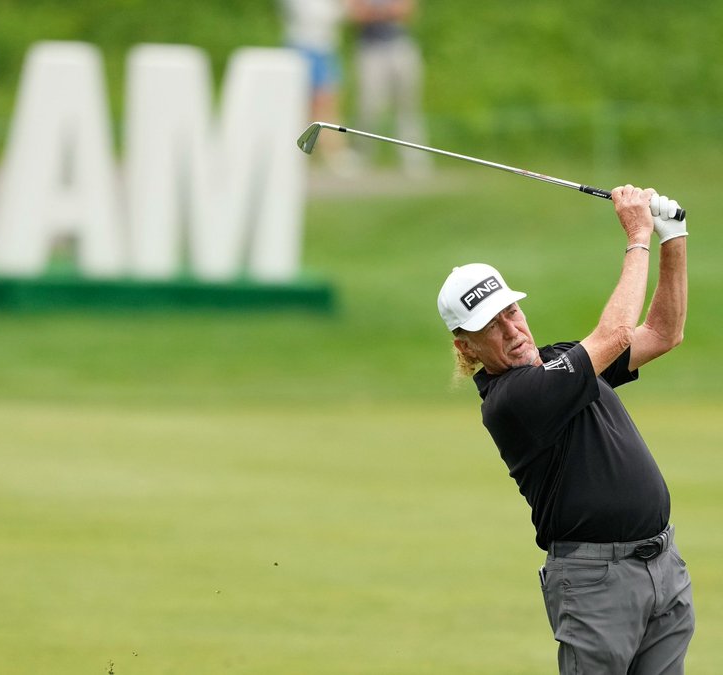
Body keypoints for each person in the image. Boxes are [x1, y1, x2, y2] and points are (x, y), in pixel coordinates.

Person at [437, 185, 693, 673]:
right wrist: (638, 234)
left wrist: (672, 235)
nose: (511, 329)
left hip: (663, 567)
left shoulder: (558, 361)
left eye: (511, 311)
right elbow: (615, 335)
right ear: (467, 347)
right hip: (596, 583)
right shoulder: (512, 401)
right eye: (491, 325)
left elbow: (663, 333)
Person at [345, 0, 430, 176]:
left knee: (407, 105)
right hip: (370, 48)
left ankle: (414, 159)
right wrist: (385, 12)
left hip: (399, 45)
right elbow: (356, 14)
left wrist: (374, 13)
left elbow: (405, 11)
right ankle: (362, 155)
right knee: (368, 106)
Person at [278, 0, 357, 174]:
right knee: (303, 105)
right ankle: (301, 154)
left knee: (328, 102)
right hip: (303, 48)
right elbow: (315, 15)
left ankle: (331, 152)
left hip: (325, 49)